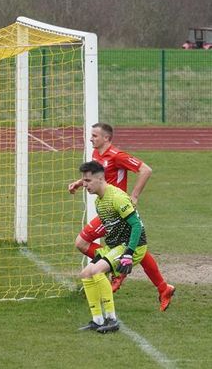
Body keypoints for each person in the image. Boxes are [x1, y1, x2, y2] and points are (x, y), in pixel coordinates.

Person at [68, 122, 174, 311]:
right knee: (138, 250)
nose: (91, 138)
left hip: (117, 211)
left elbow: (145, 170)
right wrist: (79, 183)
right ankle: (163, 288)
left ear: (106, 138)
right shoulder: (96, 154)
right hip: (106, 209)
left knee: (83, 243)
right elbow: (97, 177)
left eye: (94, 135)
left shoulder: (117, 156)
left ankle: (113, 269)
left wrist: (134, 195)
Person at [77, 161, 149, 333]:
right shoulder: (99, 202)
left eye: (87, 181)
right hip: (116, 246)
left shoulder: (116, 197)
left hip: (132, 246)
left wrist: (129, 253)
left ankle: (112, 319)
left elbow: (136, 226)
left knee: (97, 271)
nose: (84, 185)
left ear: (100, 178)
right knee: (86, 273)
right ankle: (97, 320)